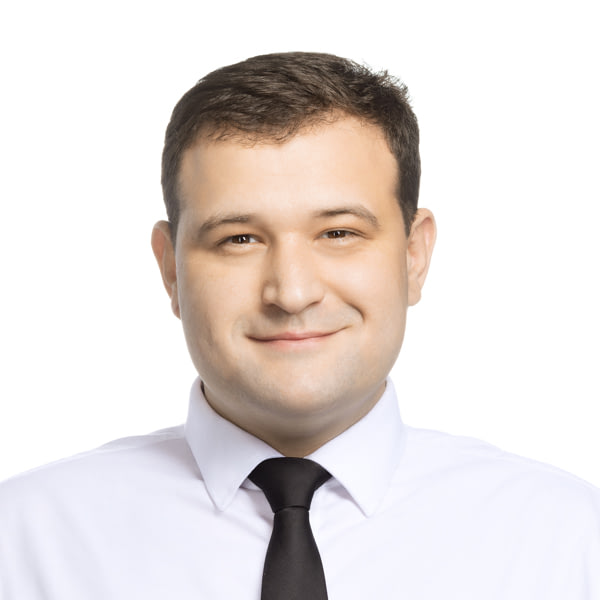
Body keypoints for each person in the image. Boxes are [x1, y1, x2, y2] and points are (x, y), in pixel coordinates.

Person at [0, 52, 598, 600]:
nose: (291, 293)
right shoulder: (23, 543)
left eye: (338, 232)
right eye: (239, 239)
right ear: (171, 270)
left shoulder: (570, 543)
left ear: (414, 256)